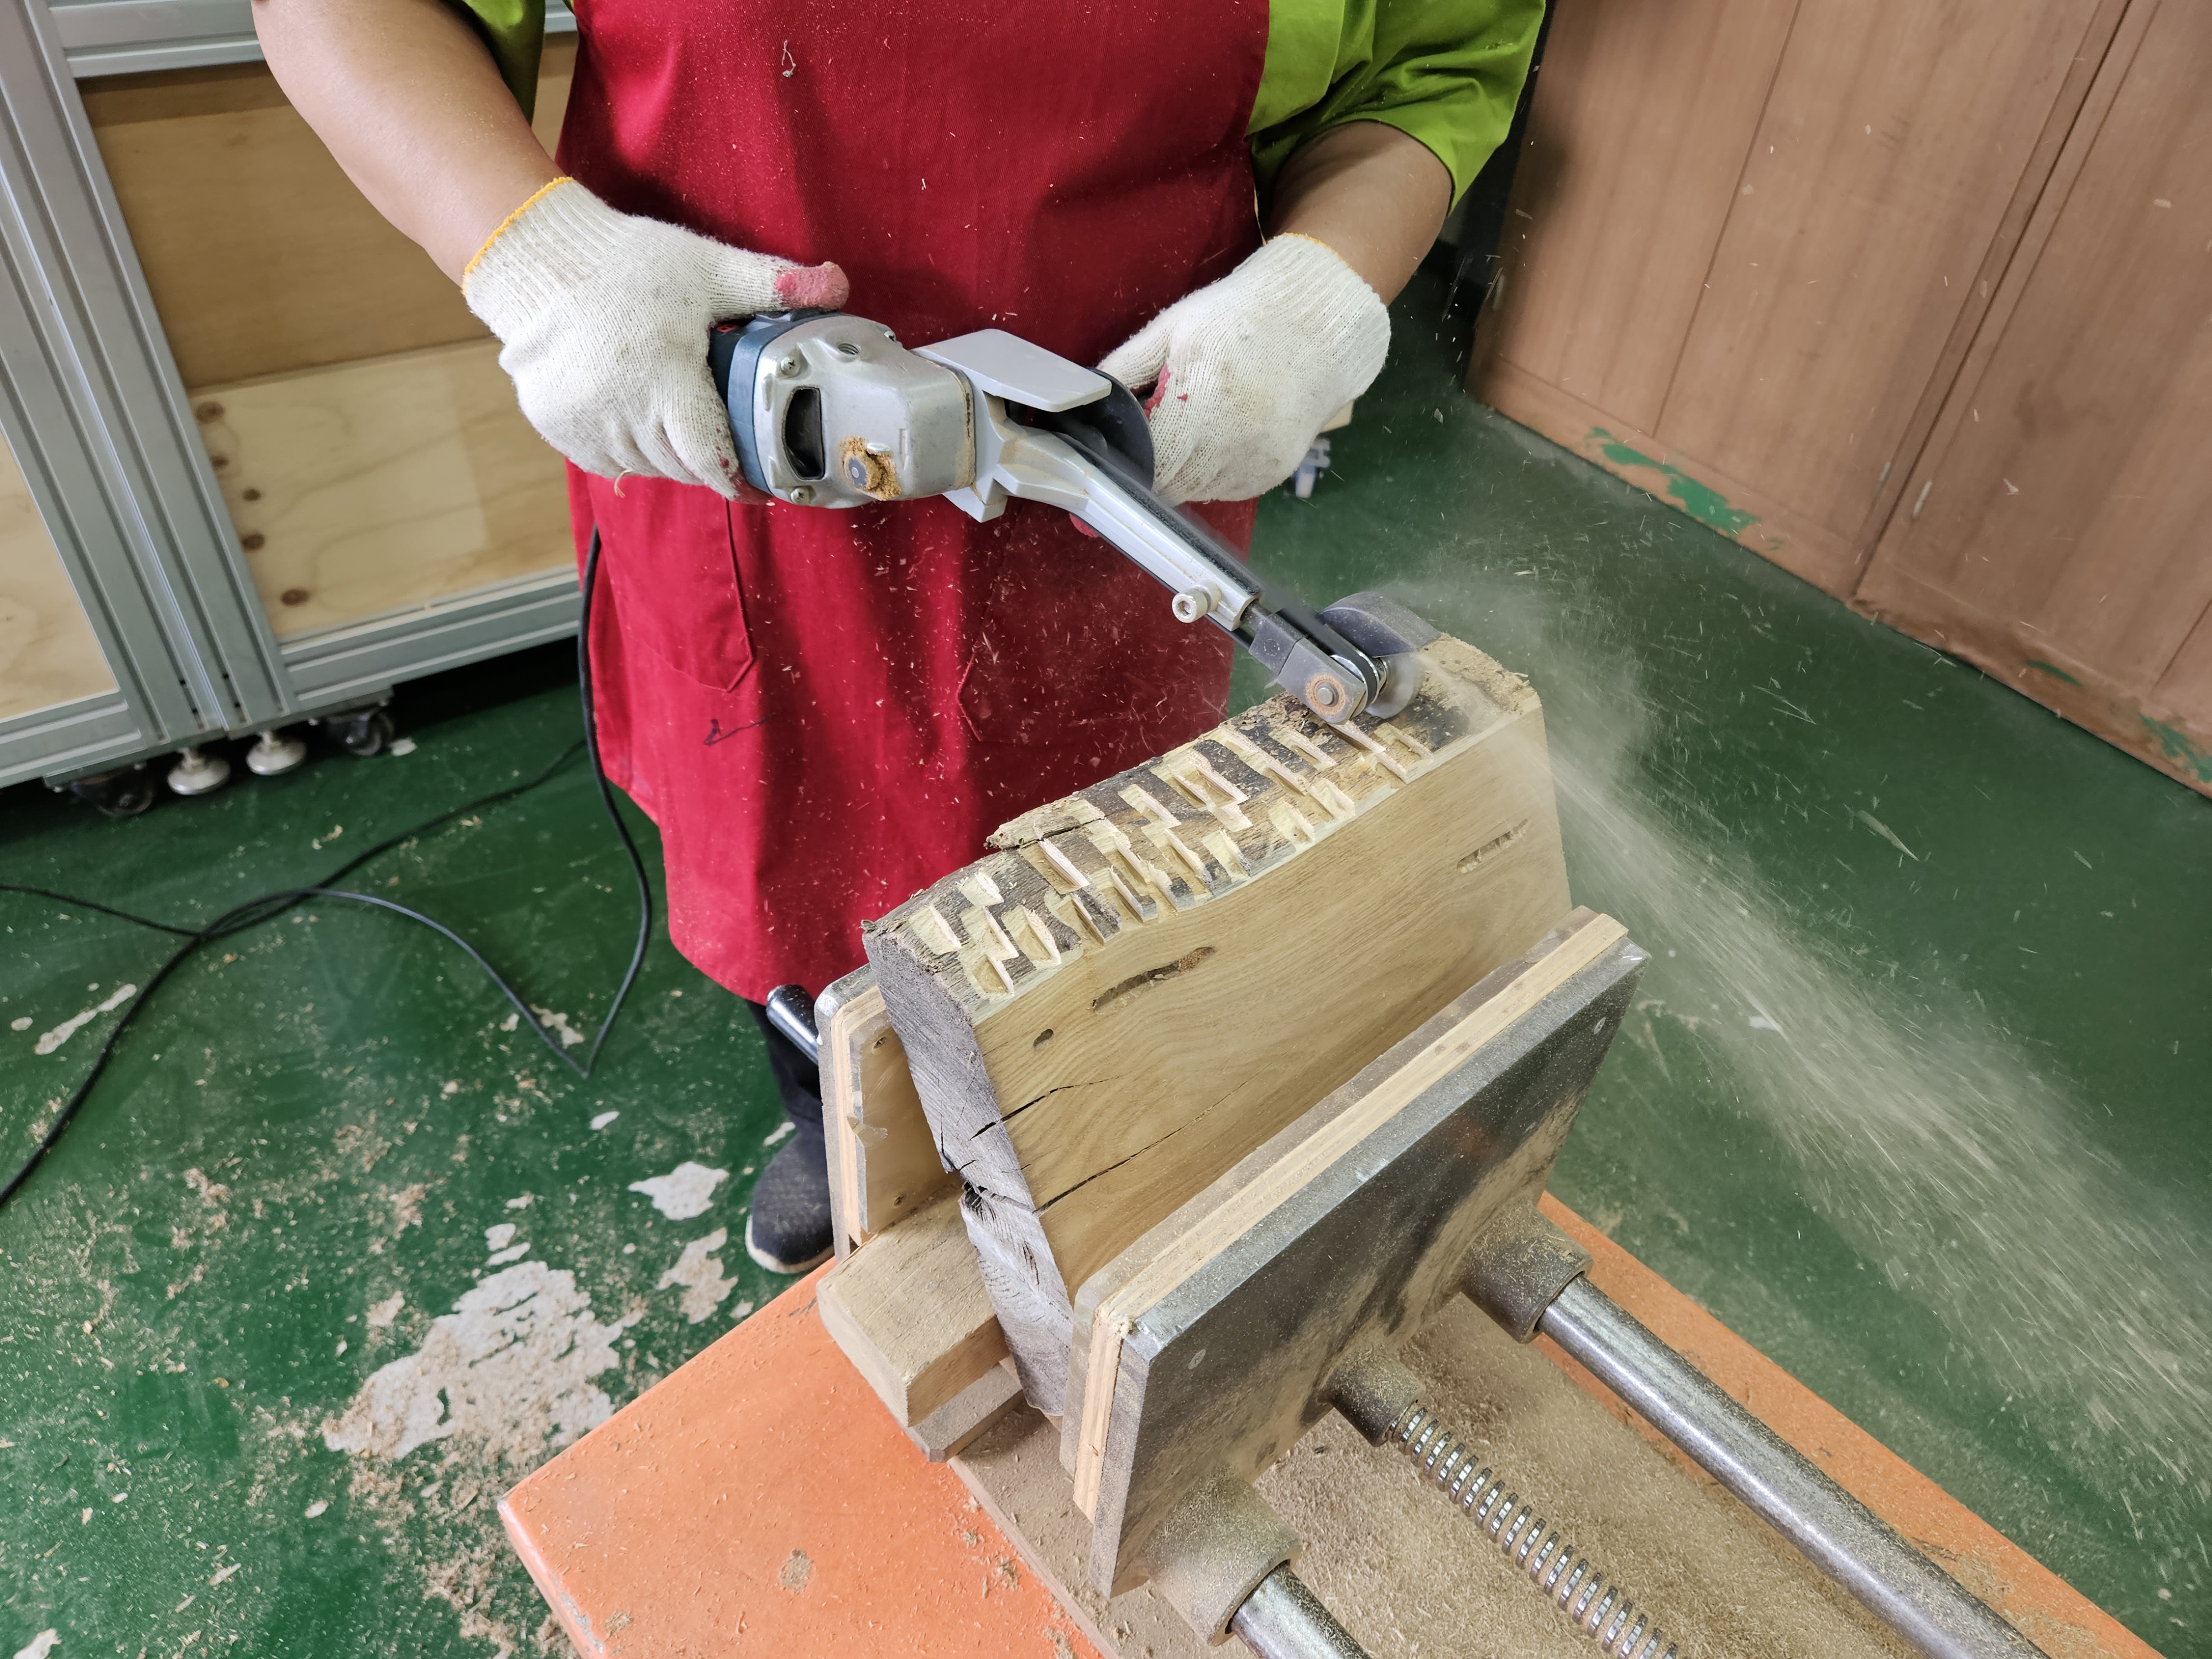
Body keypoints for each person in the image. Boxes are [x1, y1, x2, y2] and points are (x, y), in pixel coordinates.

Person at [255, 0, 1542, 1274]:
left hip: (1122, 471)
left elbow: (1432, 59)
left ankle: (1073, 1154)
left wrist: (1316, 285)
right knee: (794, 883)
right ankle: (837, 1124)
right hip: (750, 460)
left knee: (1103, 894)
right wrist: (539, 264)